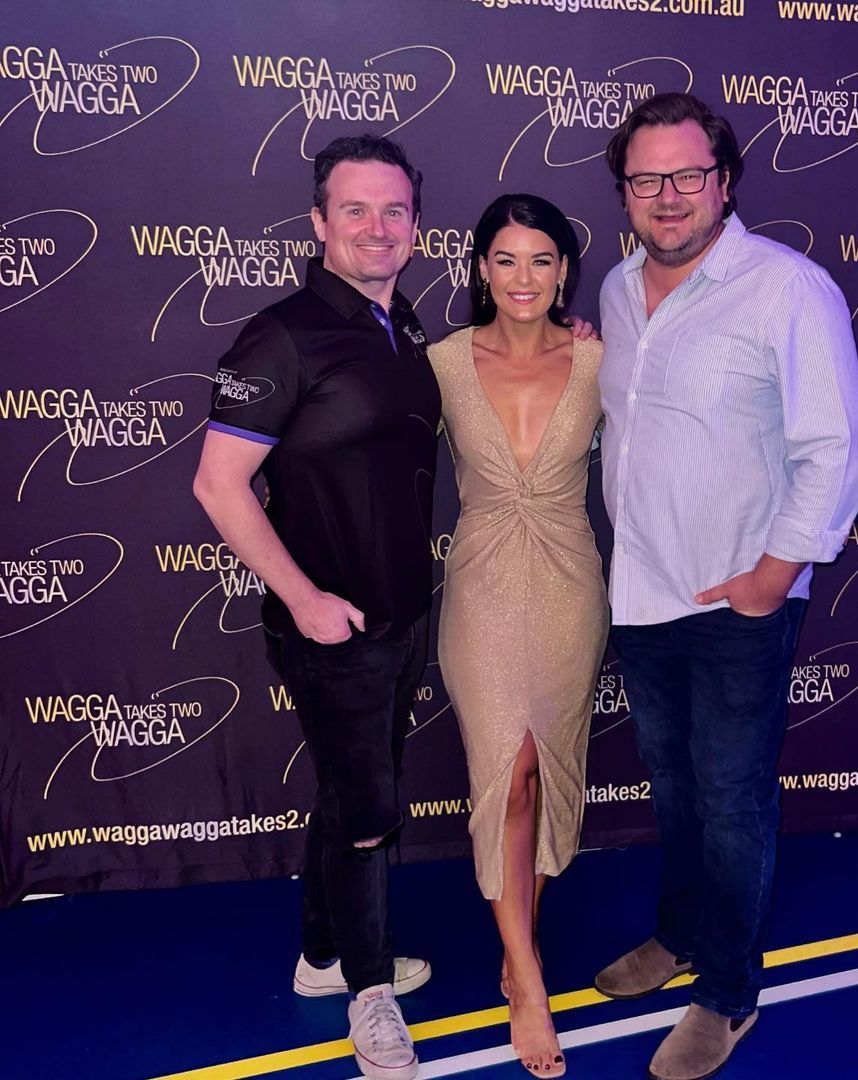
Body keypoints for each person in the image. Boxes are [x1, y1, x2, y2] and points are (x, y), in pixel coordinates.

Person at [593, 93, 858, 1080]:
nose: (668, 196)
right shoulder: (616, 289)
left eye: (688, 175)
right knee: (673, 787)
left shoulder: (786, 288)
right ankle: (680, 935)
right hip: (643, 593)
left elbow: (835, 446)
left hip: (735, 605)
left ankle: (727, 992)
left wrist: (772, 577)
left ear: (724, 180)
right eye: (646, 179)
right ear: (624, 192)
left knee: (731, 798)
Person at [193, 134, 439, 1080]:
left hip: (401, 618)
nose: (377, 227)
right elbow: (218, 485)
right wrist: (303, 600)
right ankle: (370, 996)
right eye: (355, 210)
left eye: (394, 210)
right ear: (318, 223)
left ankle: (322, 957)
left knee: (350, 789)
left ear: (415, 225)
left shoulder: (403, 323)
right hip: (331, 629)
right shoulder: (282, 335)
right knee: (369, 808)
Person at [427, 194, 607, 1076]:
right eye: (505, 259)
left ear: (564, 270)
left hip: (571, 585)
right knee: (506, 772)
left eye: (541, 260)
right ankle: (527, 983)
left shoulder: (603, 359)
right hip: (482, 586)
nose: (523, 277)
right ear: (480, 269)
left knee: (545, 770)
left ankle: (518, 943)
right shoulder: (444, 362)